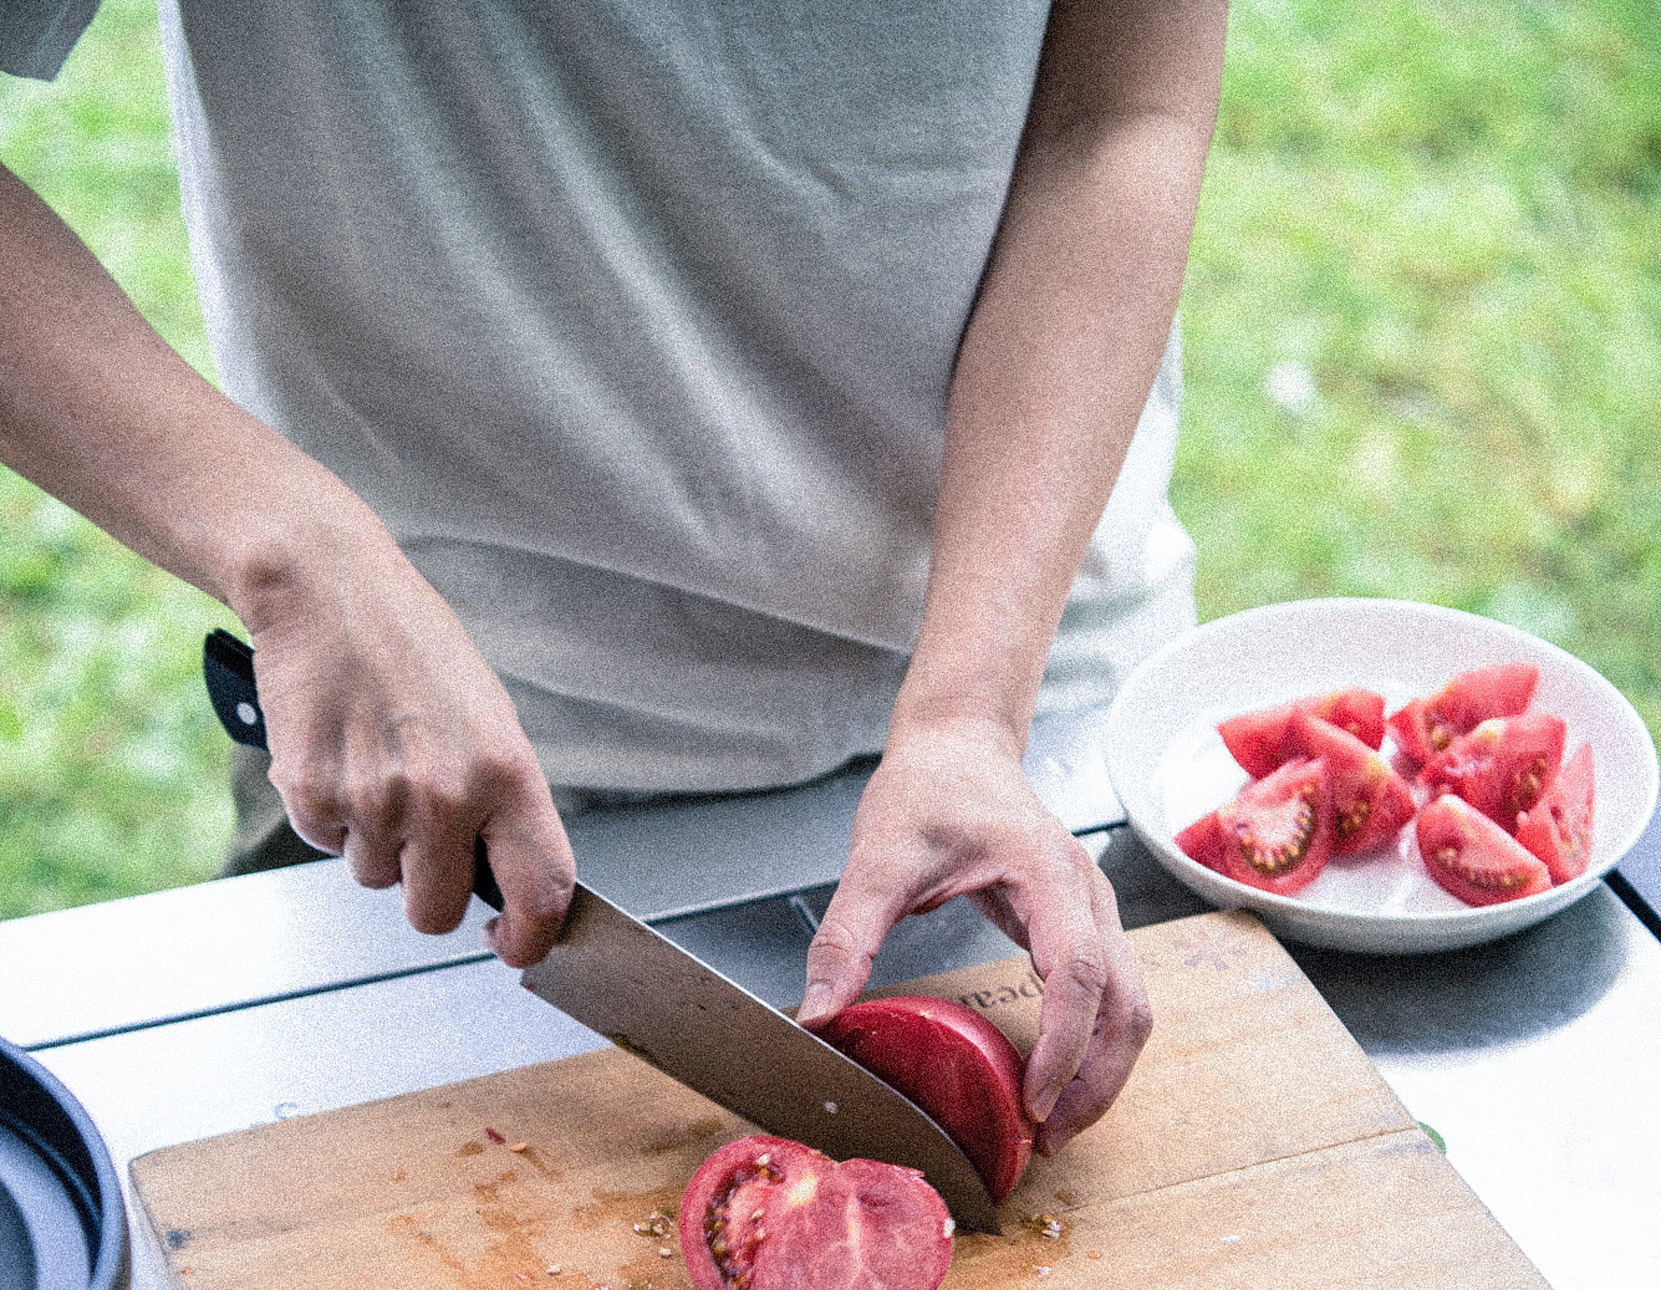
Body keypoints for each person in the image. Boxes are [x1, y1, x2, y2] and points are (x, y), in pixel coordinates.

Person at [0, 0, 1227, 1155]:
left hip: (1027, 722)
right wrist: (289, 552)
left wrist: (968, 710)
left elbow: (1118, 116)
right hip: (440, 777)